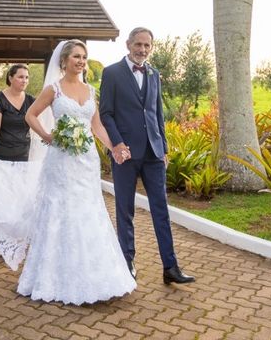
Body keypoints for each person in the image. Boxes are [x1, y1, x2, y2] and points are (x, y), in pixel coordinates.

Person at [18, 39, 136, 305]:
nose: (81, 61)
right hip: (60, 162)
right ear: (64, 61)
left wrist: (114, 147)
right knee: (60, 211)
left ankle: (95, 273)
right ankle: (54, 276)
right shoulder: (54, 89)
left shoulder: (90, 91)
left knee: (88, 210)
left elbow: (97, 127)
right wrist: (48, 136)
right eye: (76, 57)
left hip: (86, 162)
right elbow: (31, 115)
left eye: (84, 57)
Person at [99, 27, 195, 285]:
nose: (142, 50)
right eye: (138, 44)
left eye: (147, 46)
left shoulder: (154, 73)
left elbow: (157, 113)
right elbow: (105, 113)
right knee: (125, 210)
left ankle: (170, 267)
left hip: (153, 153)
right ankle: (126, 261)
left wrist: (163, 147)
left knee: (161, 209)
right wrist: (117, 144)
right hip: (125, 154)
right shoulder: (112, 73)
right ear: (128, 44)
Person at [0, 64, 37, 270]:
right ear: (11, 78)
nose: (24, 80)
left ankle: (18, 236)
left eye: (27, 77)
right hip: (1, 156)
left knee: (21, 197)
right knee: (3, 199)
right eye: (21, 77)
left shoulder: (31, 101)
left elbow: (40, 124)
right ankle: (3, 236)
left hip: (23, 155)